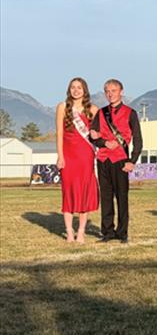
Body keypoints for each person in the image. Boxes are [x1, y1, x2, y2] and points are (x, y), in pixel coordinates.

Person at [89, 79, 142, 244]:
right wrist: (104, 142)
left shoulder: (130, 113)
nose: (110, 94)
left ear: (121, 92)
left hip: (121, 161)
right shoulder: (100, 113)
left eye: (113, 90)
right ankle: (107, 232)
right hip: (103, 160)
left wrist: (132, 160)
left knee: (122, 198)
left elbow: (138, 141)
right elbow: (92, 137)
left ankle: (122, 233)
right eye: (107, 91)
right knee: (105, 198)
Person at [55, 77, 99, 243]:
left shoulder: (92, 109)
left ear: (84, 90)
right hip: (68, 155)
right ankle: (68, 230)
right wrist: (60, 155)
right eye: (73, 87)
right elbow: (59, 133)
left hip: (85, 156)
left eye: (79, 87)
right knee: (68, 191)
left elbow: (100, 132)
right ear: (69, 90)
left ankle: (81, 231)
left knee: (83, 192)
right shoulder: (62, 107)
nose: (76, 90)